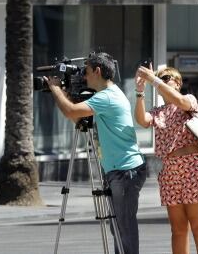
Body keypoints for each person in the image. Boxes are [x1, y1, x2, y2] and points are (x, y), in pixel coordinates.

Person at [44, 52, 146, 254]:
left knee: (124, 229)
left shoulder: (107, 97)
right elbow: (79, 119)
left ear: (98, 71)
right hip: (121, 170)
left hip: (124, 171)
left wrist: (55, 88)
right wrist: (65, 94)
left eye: (87, 71)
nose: (84, 77)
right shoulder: (109, 94)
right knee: (118, 228)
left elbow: (71, 112)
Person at [135, 65, 198, 254]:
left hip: (194, 170)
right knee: (178, 230)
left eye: (167, 77)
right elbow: (142, 120)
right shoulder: (158, 111)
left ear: (178, 83)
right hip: (170, 173)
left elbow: (179, 101)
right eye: (160, 77)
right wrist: (139, 92)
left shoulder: (188, 100)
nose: (161, 79)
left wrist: (154, 79)